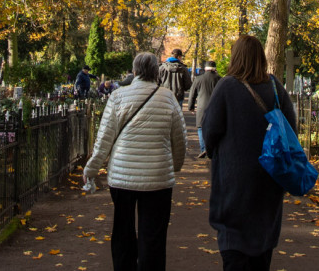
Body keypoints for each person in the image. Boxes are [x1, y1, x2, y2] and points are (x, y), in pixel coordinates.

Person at [201, 35, 297, 271]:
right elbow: (292, 129)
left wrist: (215, 153)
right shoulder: (275, 87)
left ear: (236, 57)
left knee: (234, 244)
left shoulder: (227, 86)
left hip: (234, 177)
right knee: (262, 248)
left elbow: (210, 130)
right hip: (269, 178)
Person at [83, 53, 186, 271]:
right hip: (158, 178)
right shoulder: (167, 98)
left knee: (122, 230)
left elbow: (105, 139)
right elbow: (180, 139)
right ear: (156, 72)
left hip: (122, 176)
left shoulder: (118, 96)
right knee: (154, 235)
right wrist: (175, 166)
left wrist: (92, 168)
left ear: (135, 71)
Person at [188, 60, 221, 158]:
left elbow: (192, 94)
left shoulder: (199, 79)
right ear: (215, 68)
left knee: (201, 127)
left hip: (202, 107)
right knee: (215, 127)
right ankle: (213, 149)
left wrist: (191, 107)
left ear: (205, 68)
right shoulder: (220, 79)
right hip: (216, 107)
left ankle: (204, 149)